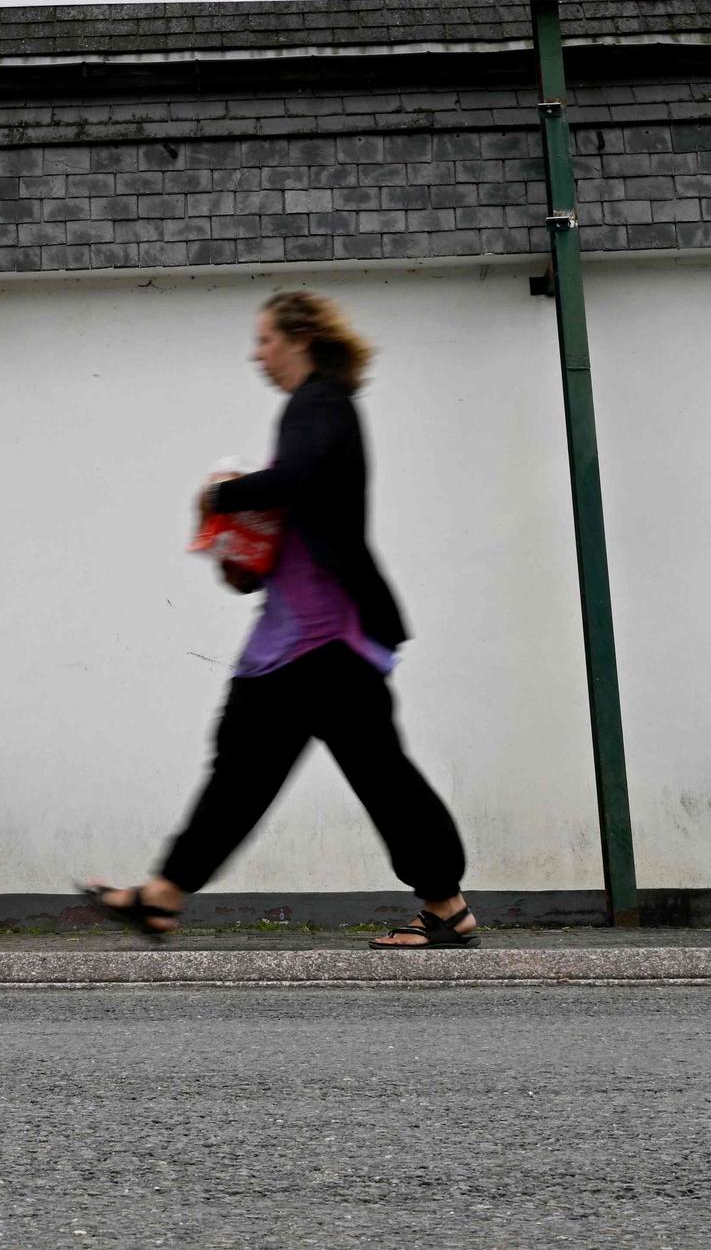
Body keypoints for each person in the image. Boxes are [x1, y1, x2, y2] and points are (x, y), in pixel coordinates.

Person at [81, 289, 476, 948]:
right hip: (303, 639)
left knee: (310, 771)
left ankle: (166, 894)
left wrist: (219, 495)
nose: (256, 352)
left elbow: (296, 478)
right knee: (301, 769)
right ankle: (165, 894)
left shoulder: (319, 401)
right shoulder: (318, 408)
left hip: (323, 641)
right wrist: (245, 557)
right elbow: (305, 504)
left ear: (300, 339)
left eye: (265, 338)